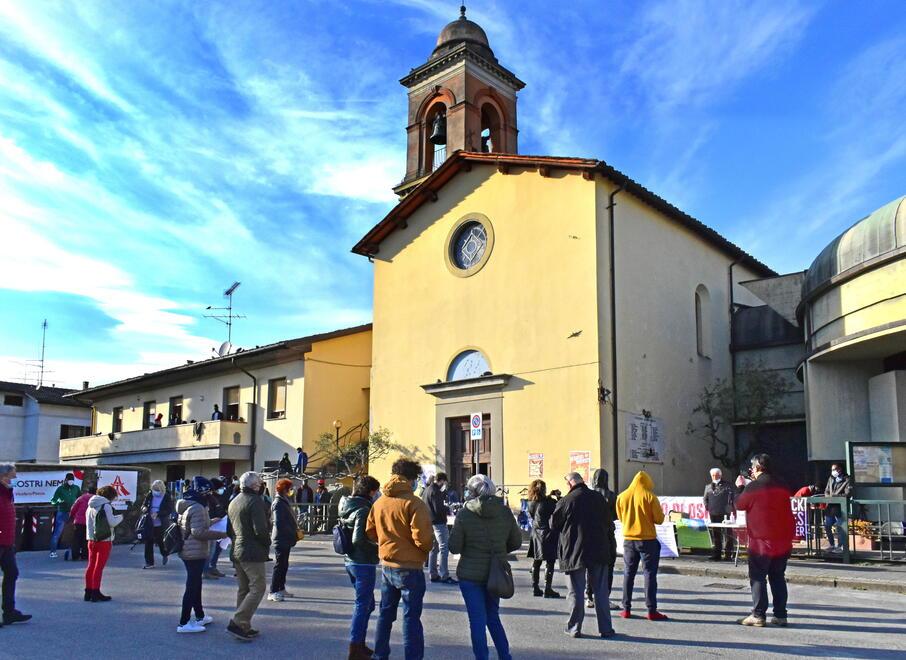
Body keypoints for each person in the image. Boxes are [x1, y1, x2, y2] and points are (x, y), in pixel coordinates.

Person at [366, 458, 433, 660]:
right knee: (411, 618)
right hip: (410, 566)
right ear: (411, 479)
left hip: (387, 564)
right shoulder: (414, 503)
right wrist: (425, 549)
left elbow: (369, 531)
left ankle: (380, 654)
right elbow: (423, 539)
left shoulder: (380, 502)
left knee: (385, 614)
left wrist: (385, 542)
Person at [449, 474, 522, 659]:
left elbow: (454, 546)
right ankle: (505, 656)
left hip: (470, 575)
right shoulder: (504, 512)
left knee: (477, 621)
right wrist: (500, 550)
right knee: (493, 616)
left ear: (471, 492)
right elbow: (516, 541)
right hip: (495, 573)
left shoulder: (465, 514)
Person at [551, 472, 614, 639]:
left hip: (574, 551)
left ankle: (574, 628)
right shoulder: (598, 498)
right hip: (599, 549)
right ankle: (606, 629)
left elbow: (553, 524)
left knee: (576, 592)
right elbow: (609, 521)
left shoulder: (567, 500)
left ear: (571, 484)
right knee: (600, 591)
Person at [734, 454, 795, 627]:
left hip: (762, 539)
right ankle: (781, 615)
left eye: (752, 468)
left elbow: (739, 504)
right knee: (778, 576)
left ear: (758, 467)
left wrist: (740, 488)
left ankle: (758, 614)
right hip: (782, 538)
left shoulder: (754, 486)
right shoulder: (782, 484)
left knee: (758, 576)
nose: (751, 471)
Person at [175, 477, 227, 633]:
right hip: (194, 551)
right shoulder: (198, 507)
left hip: (189, 549)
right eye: (209, 491)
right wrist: (222, 534)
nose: (211, 494)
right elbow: (198, 532)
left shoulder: (188, 503)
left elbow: (195, 525)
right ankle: (183, 623)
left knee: (196, 584)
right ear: (203, 491)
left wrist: (211, 521)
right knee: (192, 586)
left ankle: (200, 615)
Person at [616, 471, 667, 621]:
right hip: (648, 540)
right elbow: (659, 519)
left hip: (629, 540)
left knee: (628, 573)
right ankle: (651, 610)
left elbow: (620, 517)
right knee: (649, 574)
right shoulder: (650, 497)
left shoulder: (622, 496)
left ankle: (626, 608)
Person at [339, 475, 381, 660]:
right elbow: (359, 539)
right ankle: (355, 647)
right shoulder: (363, 509)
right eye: (376, 491)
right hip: (362, 561)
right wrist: (378, 547)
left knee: (368, 604)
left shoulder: (347, 505)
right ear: (371, 491)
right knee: (362, 604)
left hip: (351, 560)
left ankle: (360, 643)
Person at [226, 471, 271, 642]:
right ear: (254, 486)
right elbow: (261, 530)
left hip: (237, 548)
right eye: (260, 484)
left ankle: (243, 625)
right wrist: (266, 543)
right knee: (258, 587)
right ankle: (238, 621)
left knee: (244, 589)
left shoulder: (234, 501)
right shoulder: (255, 501)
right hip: (252, 551)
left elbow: (229, 530)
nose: (261, 486)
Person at [0, 463, 31, 626]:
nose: (15, 479)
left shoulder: (7, 494)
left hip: (7, 543)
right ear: (3, 476)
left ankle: (9, 612)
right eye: (12, 476)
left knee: (12, 574)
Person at [586, 468, 618, 610]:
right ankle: (605, 596)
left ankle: (589, 596)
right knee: (608, 566)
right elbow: (616, 516)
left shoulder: (589, 495)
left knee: (590, 566)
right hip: (607, 533)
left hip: (591, 534)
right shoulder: (611, 496)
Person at [85, 485, 122, 602]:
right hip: (104, 540)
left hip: (91, 539)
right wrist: (120, 517)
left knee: (91, 566)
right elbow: (112, 523)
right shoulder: (106, 506)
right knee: (99, 567)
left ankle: (88, 591)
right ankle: (96, 592)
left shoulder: (90, 505)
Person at [526, 479, 559, 598]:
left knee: (536, 560)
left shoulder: (530, 502)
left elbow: (540, 506)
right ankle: (547, 588)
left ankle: (535, 587)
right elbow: (558, 509)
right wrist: (557, 497)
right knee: (550, 561)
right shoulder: (549, 502)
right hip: (547, 533)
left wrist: (550, 496)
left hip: (535, 533)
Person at [268, 479, 299, 602]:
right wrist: (292, 531)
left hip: (285, 538)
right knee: (279, 565)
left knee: (284, 564)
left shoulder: (284, 501)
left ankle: (281, 588)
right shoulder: (278, 503)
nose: (291, 491)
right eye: (290, 489)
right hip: (281, 538)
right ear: (284, 489)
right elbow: (279, 522)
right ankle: (273, 590)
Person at [422, 472, 455, 584]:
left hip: (429, 523)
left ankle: (433, 573)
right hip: (439, 523)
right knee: (444, 548)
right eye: (445, 482)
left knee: (434, 549)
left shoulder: (427, 490)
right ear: (441, 480)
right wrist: (447, 509)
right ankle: (444, 574)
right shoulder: (436, 491)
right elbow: (438, 509)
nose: (445, 485)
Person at [703, 467, 736, 561]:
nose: (714, 477)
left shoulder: (727, 486)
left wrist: (731, 507)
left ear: (720, 475)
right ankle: (717, 554)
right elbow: (705, 499)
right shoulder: (708, 487)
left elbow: (732, 496)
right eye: (712, 475)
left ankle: (728, 554)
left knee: (728, 534)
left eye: (716, 475)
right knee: (716, 534)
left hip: (726, 512)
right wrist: (707, 507)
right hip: (713, 513)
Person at [141, 480, 174, 569]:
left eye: (157, 489)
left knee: (161, 542)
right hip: (149, 522)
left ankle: (165, 553)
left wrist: (158, 514)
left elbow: (169, 509)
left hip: (161, 523)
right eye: (154, 488)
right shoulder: (150, 494)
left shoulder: (166, 496)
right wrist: (144, 508)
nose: (155, 491)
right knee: (148, 542)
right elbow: (144, 504)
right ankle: (149, 562)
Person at [49, 473, 80, 558]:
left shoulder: (76, 488)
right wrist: (59, 502)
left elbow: (79, 499)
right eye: (69, 480)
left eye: (72, 480)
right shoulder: (60, 489)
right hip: (62, 512)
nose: (71, 482)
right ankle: (53, 551)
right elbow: (53, 501)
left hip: (73, 512)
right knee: (57, 532)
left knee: (75, 532)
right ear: (66, 480)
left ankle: (74, 550)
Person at [823, 464, 853, 554]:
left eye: (835, 469)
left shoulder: (847, 479)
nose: (833, 471)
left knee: (840, 527)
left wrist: (835, 496)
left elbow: (848, 494)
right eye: (832, 469)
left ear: (840, 469)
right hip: (830, 507)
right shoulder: (831, 478)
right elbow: (826, 491)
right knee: (827, 526)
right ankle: (832, 545)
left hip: (840, 507)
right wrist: (829, 496)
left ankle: (840, 546)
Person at [205, 478, 230, 579]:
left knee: (217, 548)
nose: (222, 490)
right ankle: (207, 569)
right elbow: (210, 514)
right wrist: (216, 519)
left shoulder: (217, 497)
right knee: (210, 550)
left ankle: (212, 566)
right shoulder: (208, 498)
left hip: (221, 525)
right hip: (214, 526)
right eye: (220, 488)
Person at [69, 486, 95, 562]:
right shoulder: (96, 500)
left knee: (76, 539)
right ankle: (85, 555)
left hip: (79, 521)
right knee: (86, 539)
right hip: (89, 522)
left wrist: (71, 516)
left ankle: (75, 555)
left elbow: (74, 508)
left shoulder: (81, 498)